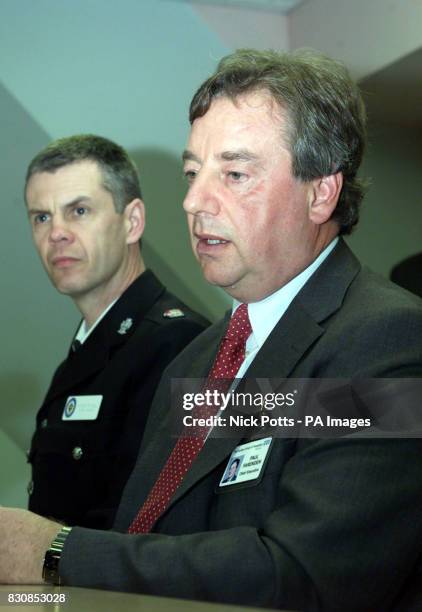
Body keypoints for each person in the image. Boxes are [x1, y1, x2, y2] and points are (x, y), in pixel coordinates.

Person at [1, 50, 422, 611]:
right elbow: (154, 541)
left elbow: (301, 576)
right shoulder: (198, 360)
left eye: (235, 173)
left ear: (320, 192)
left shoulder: (385, 339)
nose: (194, 201)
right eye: (193, 173)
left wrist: (54, 553)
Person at [23, 134, 208, 529]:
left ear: (132, 222)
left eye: (79, 211)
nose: (56, 233)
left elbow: (155, 528)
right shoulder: (77, 361)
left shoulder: (177, 343)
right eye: (41, 217)